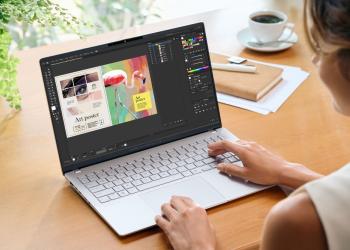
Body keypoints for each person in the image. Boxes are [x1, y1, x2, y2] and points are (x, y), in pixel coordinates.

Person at [155, 0, 350, 249]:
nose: (313, 59)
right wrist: (287, 171)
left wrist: (199, 246)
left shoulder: (296, 220)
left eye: (320, 47)